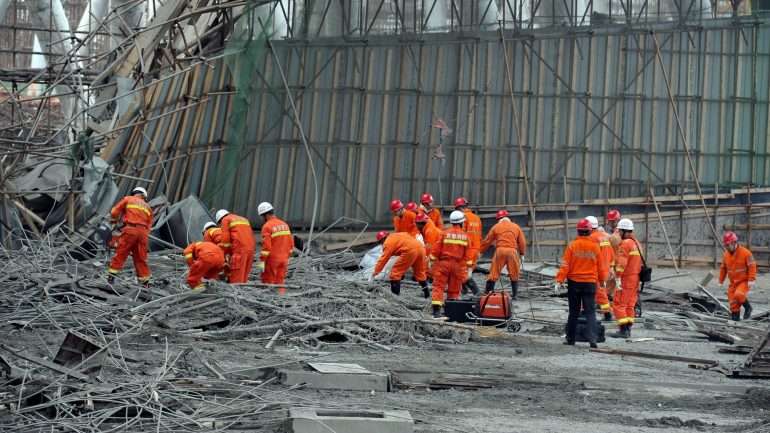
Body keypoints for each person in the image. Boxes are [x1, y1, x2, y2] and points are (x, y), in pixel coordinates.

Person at [555, 218, 608, 348]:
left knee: (574, 312)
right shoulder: (595, 247)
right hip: (590, 284)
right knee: (590, 312)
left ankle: (571, 339)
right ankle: (593, 340)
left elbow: (565, 265)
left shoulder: (572, 246)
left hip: (574, 283)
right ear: (590, 231)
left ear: (578, 231)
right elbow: (601, 267)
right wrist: (602, 281)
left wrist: (559, 280)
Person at [430, 211, 473, 318]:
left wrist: (431, 261)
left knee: (438, 287)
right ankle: (450, 311)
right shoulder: (466, 236)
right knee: (454, 289)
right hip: (458, 266)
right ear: (462, 223)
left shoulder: (444, 233)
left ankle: (436, 313)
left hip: (443, 264)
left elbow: (436, 249)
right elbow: (468, 256)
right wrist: (469, 270)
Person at [107, 186, 152, 287]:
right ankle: (145, 283)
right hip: (143, 233)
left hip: (131, 230)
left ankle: (111, 278)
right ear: (144, 196)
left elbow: (114, 212)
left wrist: (113, 221)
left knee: (121, 252)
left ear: (134, 193)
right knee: (141, 257)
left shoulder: (128, 199)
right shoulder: (148, 207)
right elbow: (149, 225)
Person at [480, 210, 526, 298]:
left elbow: (487, 241)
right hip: (512, 252)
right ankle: (515, 295)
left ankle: (488, 292)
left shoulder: (496, 226)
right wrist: (522, 253)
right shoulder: (516, 227)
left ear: (499, 218)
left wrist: (481, 251)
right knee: (514, 273)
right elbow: (522, 242)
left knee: (494, 272)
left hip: (500, 251)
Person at [371, 231, 429, 297]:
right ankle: (426, 293)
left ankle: (395, 296)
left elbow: (383, 260)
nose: (381, 244)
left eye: (380, 242)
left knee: (395, 273)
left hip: (410, 251)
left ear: (382, 239)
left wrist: (375, 272)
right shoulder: (397, 235)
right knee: (419, 272)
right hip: (421, 248)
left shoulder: (387, 243)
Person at [610, 218, 642, 338]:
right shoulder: (636, 243)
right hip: (635, 278)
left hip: (626, 278)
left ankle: (623, 330)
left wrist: (617, 277)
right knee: (629, 304)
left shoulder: (625, 243)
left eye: (619, 232)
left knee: (618, 304)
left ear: (623, 231)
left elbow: (622, 263)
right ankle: (628, 328)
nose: (618, 234)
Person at [720, 231, 756, 321]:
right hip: (733, 283)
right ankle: (735, 322)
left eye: (728, 245)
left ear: (734, 242)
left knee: (739, 295)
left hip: (744, 281)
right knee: (733, 303)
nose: (727, 247)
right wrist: (721, 280)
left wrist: (751, 279)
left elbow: (752, 266)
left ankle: (748, 308)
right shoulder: (726, 255)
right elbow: (723, 268)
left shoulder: (746, 253)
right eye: (726, 245)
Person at [257, 202, 294, 290]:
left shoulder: (267, 226)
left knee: (268, 282)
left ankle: (269, 301)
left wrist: (262, 262)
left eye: (262, 216)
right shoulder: (284, 224)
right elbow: (291, 244)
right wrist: (286, 256)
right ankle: (280, 300)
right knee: (280, 283)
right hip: (284, 260)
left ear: (265, 215)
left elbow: (266, 248)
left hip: (272, 260)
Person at [215, 209, 256, 283]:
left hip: (239, 252)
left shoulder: (225, 220)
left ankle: (235, 294)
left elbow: (225, 242)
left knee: (236, 281)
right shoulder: (244, 219)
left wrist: (223, 255)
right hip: (251, 251)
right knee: (244, 279)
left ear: (220, 219)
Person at [586, 215, 615, 321]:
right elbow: (611, 253)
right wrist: (611, 267)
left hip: (597, 270)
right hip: (605, 269)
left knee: (599, 293)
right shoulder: (604, 236)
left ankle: (607, 314)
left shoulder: (592, 238)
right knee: (597, 292)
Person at [454, 196, 481, 295]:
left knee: (463, 272)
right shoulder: (477, 218)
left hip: (467, 249)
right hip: (476, 249)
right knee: (465, 270)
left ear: (459, 208)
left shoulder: (463, 218)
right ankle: (464, 290)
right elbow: (479, 235)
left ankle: (476, 292)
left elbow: (461, 234)